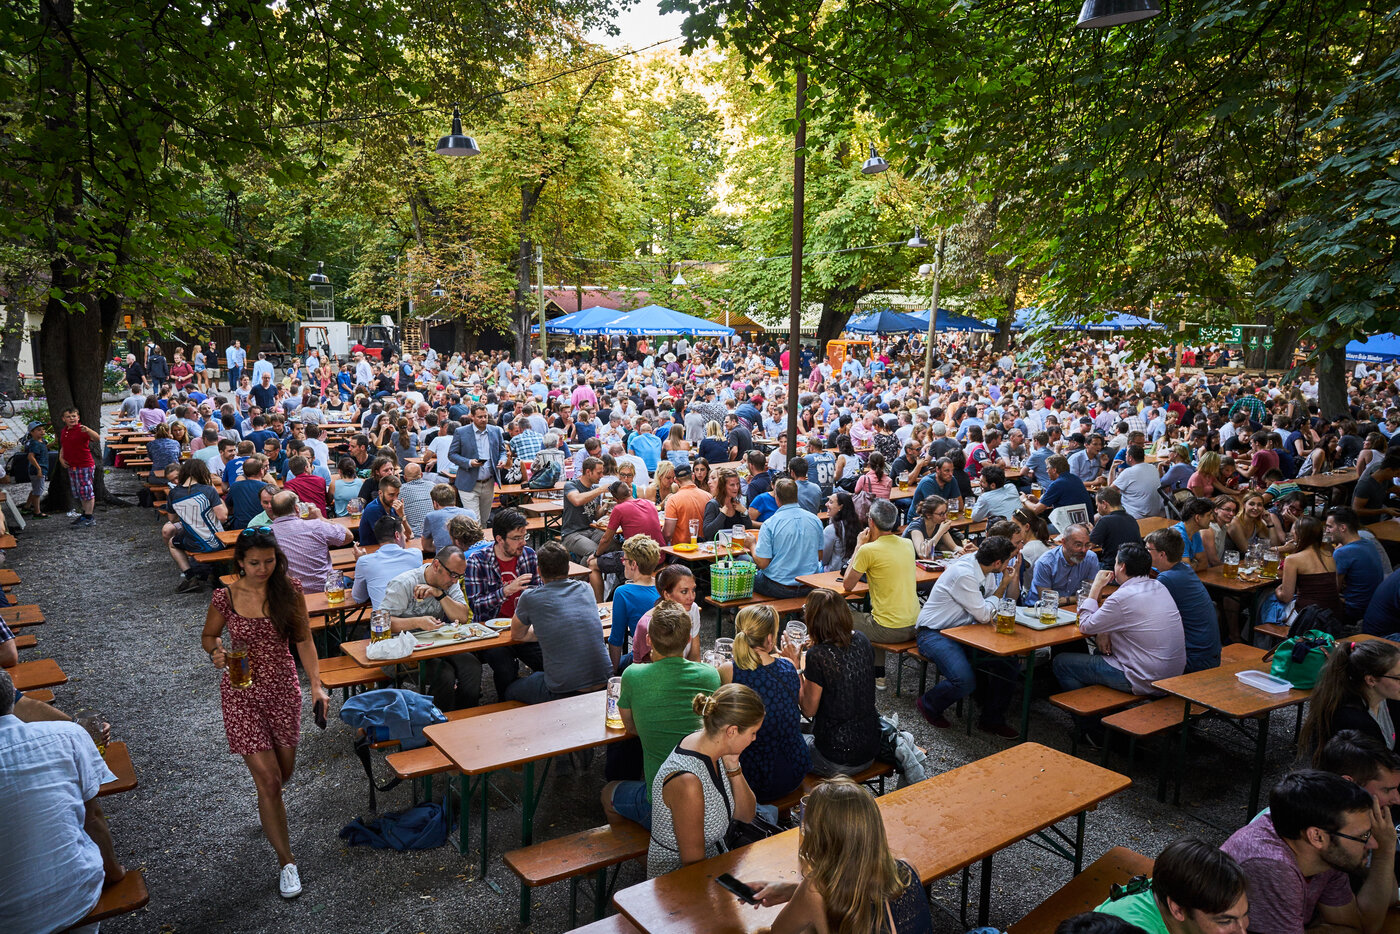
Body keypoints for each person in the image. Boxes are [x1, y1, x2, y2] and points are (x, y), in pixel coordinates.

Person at [200, 527, 328, 899]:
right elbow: (209, 637)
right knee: (270, 782)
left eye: (269, 561)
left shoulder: (289, 590)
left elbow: (304, 640)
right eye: (254, 562)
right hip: (241, 691)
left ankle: (268, 808)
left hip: (283, 689)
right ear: (240, 561)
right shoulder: (226, 597)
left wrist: (316, 685)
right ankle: (287, 862)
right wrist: (216, 653)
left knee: (283, 774)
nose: (262, 568)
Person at [0, 669, 129, 932]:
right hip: (77, 899)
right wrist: (115, 873)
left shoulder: (69, 734)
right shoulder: (68, 736)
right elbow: (93, 818)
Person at [743, 776, 935, 934]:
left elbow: (778, 931)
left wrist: (799, 894)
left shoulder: (815, 889)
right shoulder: (907, 869)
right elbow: (854, 896)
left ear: (820, 839)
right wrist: (789, 890)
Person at [602, 601, 721, 830]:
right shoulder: (710, 675)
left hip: (660, 800)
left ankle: (641, 849)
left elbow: (631, 728)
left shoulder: (633, 675)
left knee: (608, 792)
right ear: (688, 639)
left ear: (648, 640)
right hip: (707, 793)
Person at [1221, 770, 1382, 934]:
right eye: (1363, 836)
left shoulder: (1331, 855)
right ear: (1317, 837)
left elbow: (1352, 928)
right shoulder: (1272, 864)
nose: (1374, 844)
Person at [1056, 544, 1185, 735]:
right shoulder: (1158, 586)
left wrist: (1096, 586)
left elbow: (1085, 625)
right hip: (1172, 672)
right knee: (1101, 651)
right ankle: (1106, 709)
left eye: (1116, 562)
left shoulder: (1122, 596)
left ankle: (1091, 730)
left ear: (1122, 567)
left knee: (1061, 663)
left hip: (1144, 678)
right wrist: (1105, 631)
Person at [646, 682, 761, 877]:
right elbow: (694, 867)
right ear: (732, 731)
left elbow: (746, 815)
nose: (754, 739)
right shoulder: (687, 782)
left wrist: (733, 765)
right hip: (677, 882)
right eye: (753, 732)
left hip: (717, 861)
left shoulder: (714, 745)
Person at [913, 536, 1021, 738]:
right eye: (1008, 560)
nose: (1010, 565)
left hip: (965, 631)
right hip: (934, 633)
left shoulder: (984, 568)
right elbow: (984, 614)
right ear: (998, 563)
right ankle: (928, 703)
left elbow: (987, 606)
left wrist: (995, 598)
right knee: (963, 680)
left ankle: (991, 719)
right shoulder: (965, 574)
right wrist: (1003, 586)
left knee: (1008, 663)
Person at [717, 605, 809, 804]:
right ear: (769, 639)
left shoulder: (729, 670)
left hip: (753, 777)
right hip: (794, 768)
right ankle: (782, 815)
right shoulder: (787, 667)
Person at [507, 542, 613, 703]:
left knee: (511, 691)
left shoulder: (530, 597)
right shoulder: (585, 588)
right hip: (605, 680)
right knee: (538, 675)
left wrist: (544, 631)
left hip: (564, 689)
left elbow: (517, 634)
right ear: (568, 568)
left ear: (538, 571)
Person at [461, 509, 545, 700]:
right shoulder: (477, 561)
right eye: (516, 538)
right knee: (505, 669)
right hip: (492, 632)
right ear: (499, 539)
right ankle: (506, 708)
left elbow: (540, 594)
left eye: (524, 536)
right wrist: (506, 590)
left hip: (524, 627)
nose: (523, 542)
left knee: (549, 662)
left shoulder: (529, 555)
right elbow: (476, 607)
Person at [798, 589, 884, 774]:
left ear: (814, 619)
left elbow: (808, 709)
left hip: (835, 757)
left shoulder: (818, 656)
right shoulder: (862, 639)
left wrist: (795, 666)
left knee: (784, 739)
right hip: (870, 746)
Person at [381, 546, 478, 707]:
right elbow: (382, 623)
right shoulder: (404, 583)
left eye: (459, 576)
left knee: (471, 666)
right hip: (400, 651)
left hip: (435, 645)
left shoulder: (449, 583)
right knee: (444, 674)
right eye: (453, 575)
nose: (455, 580)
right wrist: (417, 622)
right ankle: (436, 723)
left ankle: (465, 716)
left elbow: (462, 616)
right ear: (436, 566)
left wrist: (439, 594)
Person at [1091, 837, 1249, 934]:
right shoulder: (1129, 929)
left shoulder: (1177, 886)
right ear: (1178, 909)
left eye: (1245, 914)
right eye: (1225, 921)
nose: (1243, 932)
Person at [843, 499, 919, 689]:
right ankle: (879, 676)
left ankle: (841, 671)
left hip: (889, 629)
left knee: (835, 615)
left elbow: (848, 584)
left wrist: (858, 545)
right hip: (915, 623)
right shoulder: (907, 544)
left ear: (871, 522)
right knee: (874, 613)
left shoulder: (868, 550)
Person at [1298, 639, 1400, 760]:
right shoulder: (1352, 721)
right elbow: (1373, 772)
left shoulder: (1387, 697)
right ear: (1371, 680)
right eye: (1398, 678)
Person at [1145, 528, 1222, 674]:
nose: (1145, 553)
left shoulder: (1167, 578)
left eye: (1148, 549)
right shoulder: (1184, 568)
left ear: (1162, 554)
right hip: (1209, 655)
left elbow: (1147, 615)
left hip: (1194, 661)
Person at [267, 490, 355, 592]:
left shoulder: (268, 534)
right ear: (297, 508)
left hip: (290, 593)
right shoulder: (316, 526)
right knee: (348, 580)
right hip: (325, 589)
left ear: (272, 511)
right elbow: (348, 537)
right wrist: (321, 518)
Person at [751, 478, 824, 598]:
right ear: (796, 495)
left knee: (745, 574)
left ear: (777, 499)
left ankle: (735, 614)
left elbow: (763, 563)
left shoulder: (770, 523)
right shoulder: (815, 520)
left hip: (779, 587)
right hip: (809, 585)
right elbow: (819, 556)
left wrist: (752, 545)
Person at [166, 458, 230, 593]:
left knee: (172, 543)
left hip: (194, 543)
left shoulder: (173, 493)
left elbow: (172, 519)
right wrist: (219, 499)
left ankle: (190, 577)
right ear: (202, 472)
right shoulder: (208, 490)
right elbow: (223, 517)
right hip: (218, 541)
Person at [608, 534, 662, 669]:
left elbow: (616, 639)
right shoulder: (663, 586)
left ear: (633, 564)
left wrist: (613, 673)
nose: (623, 563)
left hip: (643, 660)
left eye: (624, 560)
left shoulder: (623, 592)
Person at [1272, 515, 1342, 619]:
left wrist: (1277, 591)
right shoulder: (1330, 554)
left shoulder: (1292, 559)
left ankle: (1253, 634)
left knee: (1266, 603)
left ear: (1297, 534)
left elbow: (1286, 597)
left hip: (1308, 617)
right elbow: (1335, 587)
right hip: (1333, 614)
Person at [632, 564, 703, 663]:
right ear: (667, 595)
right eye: (684, 591)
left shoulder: (692, 608)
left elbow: (695, 658)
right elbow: (649, 668)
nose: (691, 597)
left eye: (693, 590)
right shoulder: (648, 623)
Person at [448, 404, 505, 522]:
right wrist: (468, 462)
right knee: (475, 520)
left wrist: (502, 460)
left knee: (484, 520)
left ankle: (480, 540)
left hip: (488, 483)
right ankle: (476, 540)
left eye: (485, 416)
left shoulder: (495, 431)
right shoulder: (461, 432)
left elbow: (502, 450)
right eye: (480, 417)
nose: (483, 419)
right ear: (472, 417)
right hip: (468, 483)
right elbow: (452, 454)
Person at [350, 516, 424, 608]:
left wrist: (361, 564)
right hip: (415, 616)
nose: (405, 537)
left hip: (384, 620)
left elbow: (359, 598)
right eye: (403, 533)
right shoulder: (416, 554)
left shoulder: (364, 562)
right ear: (397, 535)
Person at [1328, 506, 1385, 623]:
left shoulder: (1342, 552)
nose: (1326, 531)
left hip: (1354, 611)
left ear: (1343, 527)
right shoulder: (1367, 543)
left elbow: (1333, 591)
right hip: (1372, 606)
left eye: (1330, 526)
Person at [1028, 523, 1100, 605]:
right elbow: (1048, 601)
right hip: (1039, 609)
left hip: (1072, 606)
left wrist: (1068, 600)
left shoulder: (1091, 558)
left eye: (1087, 545)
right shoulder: (1045, 563)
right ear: (1064, 543)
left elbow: (1095, 595)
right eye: (1078, 545)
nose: (1083, 550)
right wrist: (1081, 597)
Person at [58, 407, 100, 527]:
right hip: (72, 466)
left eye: (74, 416)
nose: (71, 418)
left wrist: (88, 430)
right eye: (68, 416)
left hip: (84, 465)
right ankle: (85, 514)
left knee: (87, 491)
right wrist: (61, 458)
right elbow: (64, 446)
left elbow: (96, 438)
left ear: (78, 417)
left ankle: (89, 517)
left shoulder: (82, 430)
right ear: (63, 419)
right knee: (80, 492)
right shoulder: (64, 431)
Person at [561, 456, 608, 561]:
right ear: (588, 472)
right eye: (599, 473)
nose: (601, 476)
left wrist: (608, 504)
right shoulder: (571, 485)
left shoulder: (594, 489)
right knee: (594, 552)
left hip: (591, 530)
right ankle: (580, 578)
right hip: (571, 533)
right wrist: (600, 490)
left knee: (614, 544)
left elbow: (596, 515)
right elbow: (577, 500)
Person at [662, 462, 711, 546]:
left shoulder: (673, 500)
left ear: (676, 480)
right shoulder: (708, 496)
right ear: (692, 476)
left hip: (681, 552)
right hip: (705, 549)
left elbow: (668, 534)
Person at [1112, 445, 1166, 519]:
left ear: (1130, 458)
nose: (1125, 456)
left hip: (1135, 517)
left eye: (1126, 454)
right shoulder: (1153, 468)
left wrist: (1112, 468)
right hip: (1155, 514)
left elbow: (1109, 491)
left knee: (1101, 514)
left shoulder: (1128, 472)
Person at [358, 474, 411, 547]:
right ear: (380, 493)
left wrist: (402, 515)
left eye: (397, 495)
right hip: (371, 551)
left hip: (387, 549)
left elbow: (408, 535)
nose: (395, 499)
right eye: (391, 495)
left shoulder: (393, 506)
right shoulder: (373, 509)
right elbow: (389, 541)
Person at [1090, 487, 1142, 560]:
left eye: (1097, 505)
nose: (1097, 509)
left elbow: (1089, 545)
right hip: (1132, 565)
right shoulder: (1131, 518)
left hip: (1111, 567)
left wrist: (1092, 533)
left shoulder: (1104, 521)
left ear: (1104, 504)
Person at [1173, 498, 1218, 572]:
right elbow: (1186, 570)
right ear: (1197, 518)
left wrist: (1192, 565)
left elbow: (1204, 563)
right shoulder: (1178, 535)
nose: (1212, 518)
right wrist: (1195, 563)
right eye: (1209, 515)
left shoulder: (1195, 533)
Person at [22, 420, 49, 519]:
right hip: (38, 470)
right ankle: (37, 512)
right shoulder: (34, 443)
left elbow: (44, 448)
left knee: (35, 489)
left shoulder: (42, 441)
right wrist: (39, 469)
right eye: (38, 430)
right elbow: (30, 457)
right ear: (31, 433)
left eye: (42, 429)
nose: (42, 431)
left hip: (40, 469)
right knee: (38, 492)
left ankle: (27, 506)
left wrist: (54, 442)